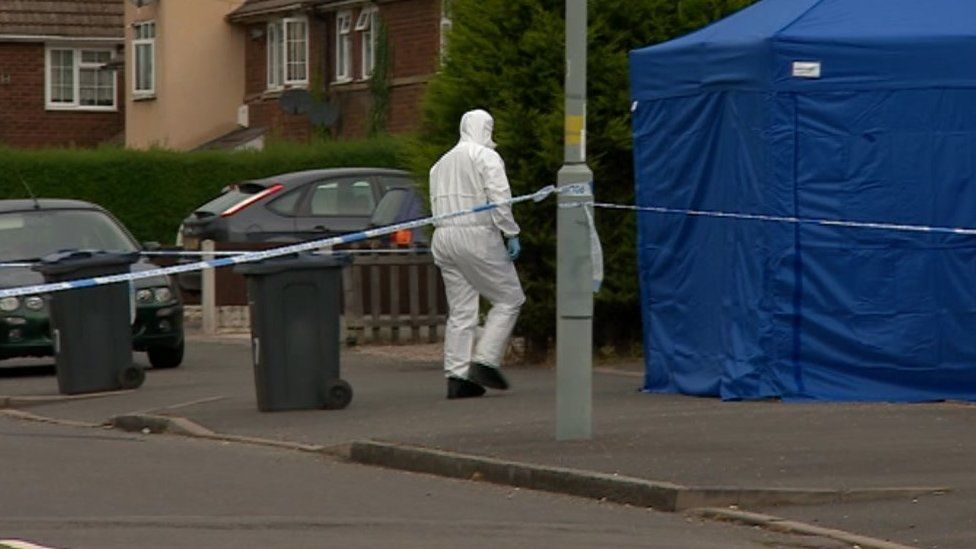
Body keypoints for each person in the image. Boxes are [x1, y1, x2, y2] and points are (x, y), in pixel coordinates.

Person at [429, 109, 525, 399]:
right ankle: (485, 360)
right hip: (476, 236)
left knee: (461, 310)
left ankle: (457, 376)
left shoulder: (440, 164)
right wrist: (510, 232)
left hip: (443, 237)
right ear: (486, 128)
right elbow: (499, 197)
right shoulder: (485, 156)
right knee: (510, 298)